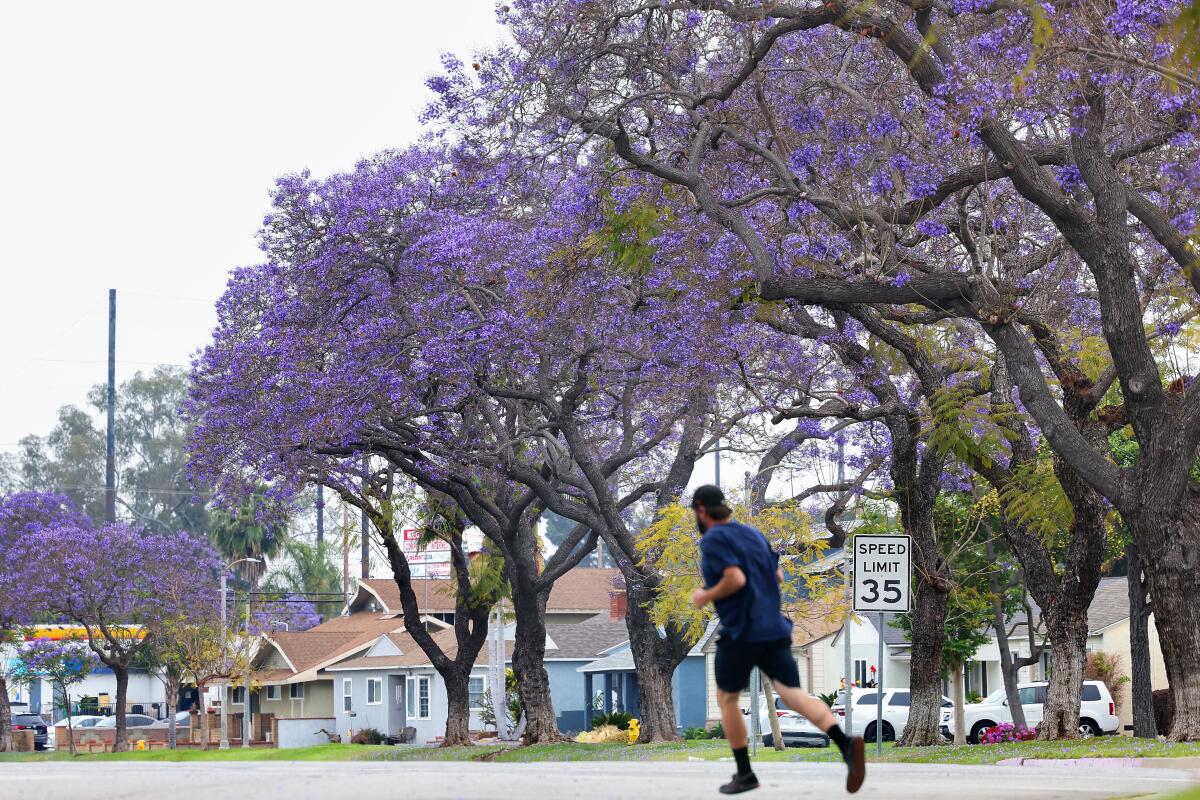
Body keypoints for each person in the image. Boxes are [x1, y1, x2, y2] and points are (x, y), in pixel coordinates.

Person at [689, 485, 865, 795]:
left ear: (701, 510)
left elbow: (735, 579)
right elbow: (778, 575)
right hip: (774, 627)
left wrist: (706, 594)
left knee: (727, 700)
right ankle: (845, 744)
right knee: (793, 694)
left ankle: (745, 773)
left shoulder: (715, 538)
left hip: (742, 630)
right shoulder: (752, 534)